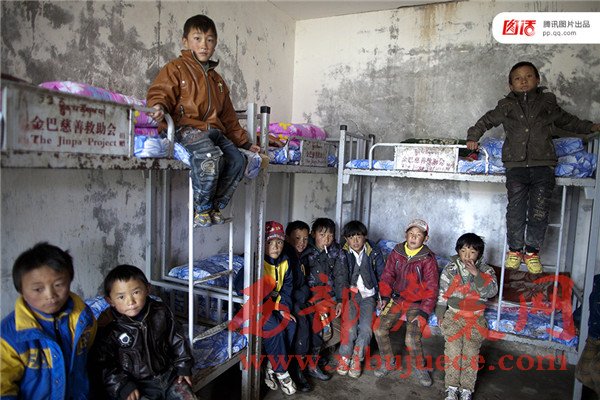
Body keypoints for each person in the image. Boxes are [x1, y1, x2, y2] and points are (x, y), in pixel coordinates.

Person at [466, 61, 600, 273]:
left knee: (539, 210)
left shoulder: (547, 103)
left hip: (543, 165)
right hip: (516, 166)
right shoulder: (506, 106)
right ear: (511, 85)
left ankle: (531, 252)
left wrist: (590, 127)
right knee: (515, 210)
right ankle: (515, 250)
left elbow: (567, 120)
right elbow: (486, 120)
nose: (523, 81)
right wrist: (473, 136)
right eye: (518, 78)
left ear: (537, 80)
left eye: (528, 76)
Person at [147, 14, 263, 228]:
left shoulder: (217, 80)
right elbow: (161, 92)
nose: (204, 45)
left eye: (209, 40)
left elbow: (228, 117)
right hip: (185, 127)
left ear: (215, 44)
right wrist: (158, 106)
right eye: (197, 38)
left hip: (213, 132)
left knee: (237, 160)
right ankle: (201, 208)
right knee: (210, 156)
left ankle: (214, 206)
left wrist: (244, 143)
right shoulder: (175, 68)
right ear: (185, 41)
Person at [0, 242, 97, 399]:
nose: (50, 295)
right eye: (38, 289)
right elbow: (3, 388)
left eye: (58, 284)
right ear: (21, 290)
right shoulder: (9, 335)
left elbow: (89, 356)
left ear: (70, 280)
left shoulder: (83, 318)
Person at [91, 264, 197, 400]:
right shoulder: (109, 326)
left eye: (136, 292)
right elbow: (104, 364)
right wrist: (123, 385)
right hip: (136, 384)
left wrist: (183, 366)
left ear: (147, 289)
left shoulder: (160, 312)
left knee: (187, 396)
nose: (131, 301)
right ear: (110, 300)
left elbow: (177, 339)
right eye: (121, 297)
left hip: (168, 375)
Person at [373, 219, 438, 387]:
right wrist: (385, 297)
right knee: (379, 328)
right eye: (411, 234)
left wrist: (424, 312)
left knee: (411, 338)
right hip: (397, 299)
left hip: (417, 303)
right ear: (405, 235)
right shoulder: (397, 252)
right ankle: (388, 362)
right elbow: (387, 275)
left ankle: (420, 367)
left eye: (418, 235)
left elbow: (431, 288)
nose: (414, 237)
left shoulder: (428, 259)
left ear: (426, 238)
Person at [435, 233, 498, 400]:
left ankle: (466, 389)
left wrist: (477, 274)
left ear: (479, 254)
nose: (467, 256)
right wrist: (440, 312)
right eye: (463, 251)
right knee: (453, 351)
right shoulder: (450, 269)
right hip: (453, 316)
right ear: (458, 251)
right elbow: (443, 293)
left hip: (475, 318)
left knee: (470, 354)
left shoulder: (486, 270)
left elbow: (491, 291)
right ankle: (451, 388)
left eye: (472, 252)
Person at [335, 220, 385, 378]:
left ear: (365, 237)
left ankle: (357, 358)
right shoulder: (342, 253)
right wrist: (340, 299)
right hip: (350, 296)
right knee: (349, 327)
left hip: (368, 296)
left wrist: (383, 297)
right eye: (351, 237)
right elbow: (340, 277)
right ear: (346, 239)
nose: (355, 241)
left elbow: (383, 276)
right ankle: (345, 356)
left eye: (359, 236)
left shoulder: (374, 252)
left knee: (365, 328)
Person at [303, 217, 346, 379]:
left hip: (330, 298)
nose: (327, 239)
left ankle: (314, 356)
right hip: (311, 298)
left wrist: (340, 300)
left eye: (330, 235)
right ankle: (312, 365)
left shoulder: (336, 250)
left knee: (341, 331)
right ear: (313, 234)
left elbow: (341, 276)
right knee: (324, 331)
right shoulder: (305, 250)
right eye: (322, 235)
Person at [262, 221, 297, 395]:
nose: (275, 247)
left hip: (274, 304)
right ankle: (282, 372)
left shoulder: (285, 261)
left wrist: (283, 308)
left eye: (279, 242)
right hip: (255, 307)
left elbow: (287, 288)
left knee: (290, 323)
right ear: (262, 243)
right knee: (275, 327)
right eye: (270, 242)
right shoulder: (256, 262)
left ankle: (271, 365)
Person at [283, 220, 317, 391]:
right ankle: (297, 369)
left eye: (305, 238)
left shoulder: (305, 255)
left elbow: (306, 281)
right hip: (289, 299)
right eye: (297, 238)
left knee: (315, 317)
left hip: (300, 297)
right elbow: (288, 287)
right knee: (301, 322)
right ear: (287, 238)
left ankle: (311, 362)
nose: (302, 242)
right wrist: (303, 295)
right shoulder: (285, 256)